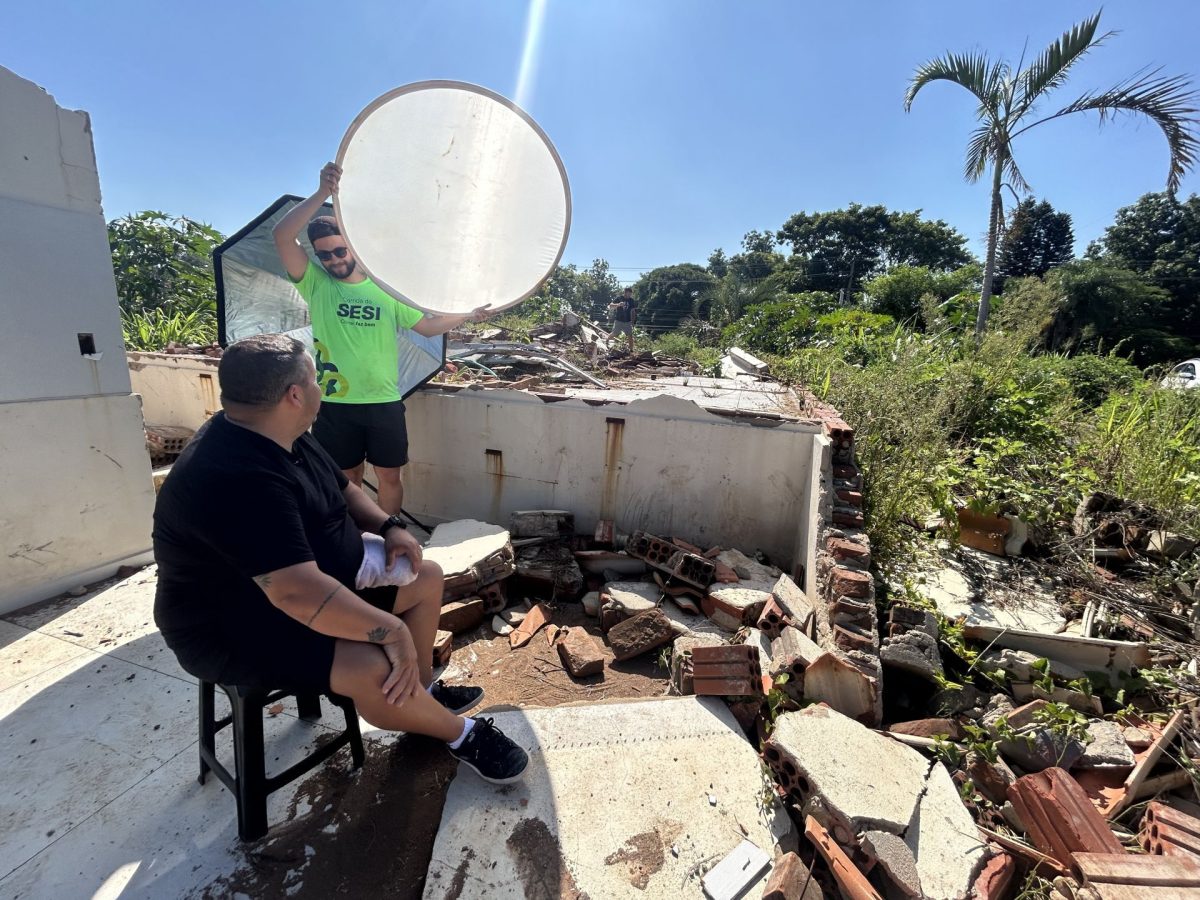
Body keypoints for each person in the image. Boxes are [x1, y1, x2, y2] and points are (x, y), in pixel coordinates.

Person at [152, 334, 528, 784]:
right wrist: (389, 631)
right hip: (237, 625)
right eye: (316, 379)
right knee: (371, 666)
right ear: (294, 395)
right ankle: (460, 735)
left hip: (309, 589)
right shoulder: (236, 477)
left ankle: (422, 694)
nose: (322, 387)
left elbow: (345, 489)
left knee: (424, 576)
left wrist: (390, 528)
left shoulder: (278, 429)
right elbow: (295, 594)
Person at [272, 162, 491, 515]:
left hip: (385, 401)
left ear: (354, 248)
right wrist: (322, 194)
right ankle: (355, 544)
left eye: (340, 251)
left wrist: (468, 313)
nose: (333, 259)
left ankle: (389, 538)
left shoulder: (386, 290)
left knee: (390, 477)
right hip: (336, 402)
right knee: (346, 478)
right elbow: (282, 236)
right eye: (324, 254)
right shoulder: (316, 284)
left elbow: (427, 326)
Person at [608, 287, 637, 353]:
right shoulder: (619, 298)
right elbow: (610, 306)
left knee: (630, 335)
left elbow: (633, 311)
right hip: (619, 320)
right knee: (615, 333)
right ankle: (607, 339)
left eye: (630, 293)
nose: (629, 295)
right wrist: (618, 304)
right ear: (625, 292)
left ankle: (631, 350)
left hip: (627, 321)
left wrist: (633, 322)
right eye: (628, 293)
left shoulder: (631, 300)